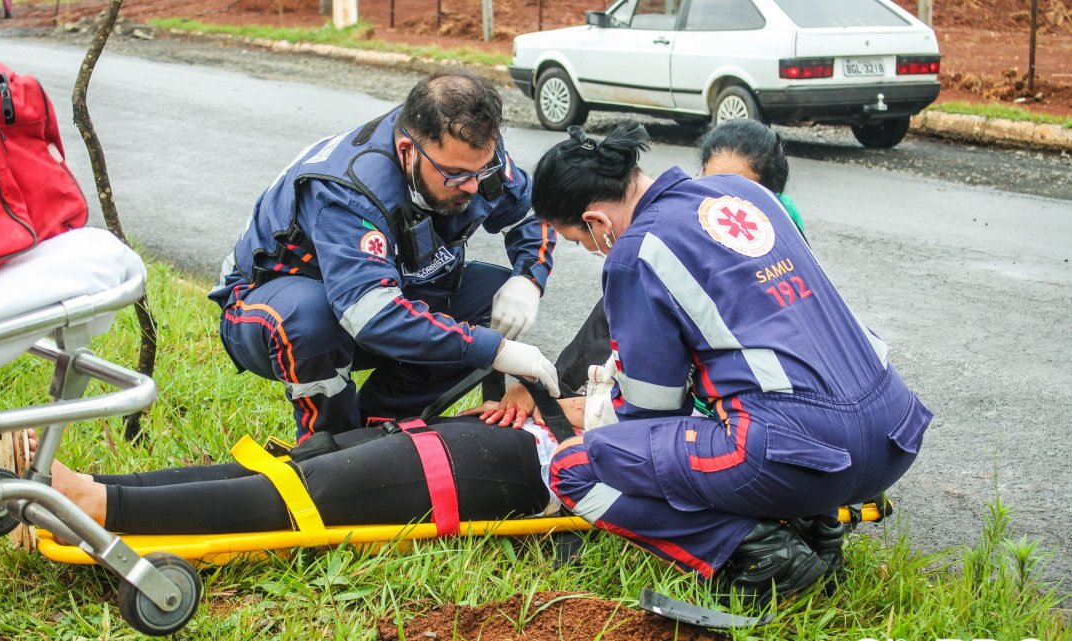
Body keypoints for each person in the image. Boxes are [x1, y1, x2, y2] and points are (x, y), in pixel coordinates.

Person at [526, 122, 933, 606]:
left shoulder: (636, 253)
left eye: (579, 240)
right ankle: (817, 529)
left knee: (575, 465)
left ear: (597, 221)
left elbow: (651, 412)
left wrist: (592, 420)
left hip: (802, 458)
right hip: (895, 434)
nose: (590, 249)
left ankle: (759, 551)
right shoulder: (743, 193)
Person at [209, 69, 560, 444]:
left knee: (493, 295)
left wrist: (528, 279)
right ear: (408, 152)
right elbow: (372, 317)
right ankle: (330, 446)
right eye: (456, 176)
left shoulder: (471, 153)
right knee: (310, 318)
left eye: (481, 170)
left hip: (387, 285)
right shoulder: (347, 191)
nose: (473, 186)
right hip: (266, 308)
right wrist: (495, 350)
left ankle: (380, 429)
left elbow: (531, 210)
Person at [469, 118, 805, 427]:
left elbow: (650, 415)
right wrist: (547, 388)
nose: (716, 199)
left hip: (748, 423)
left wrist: (567, 408)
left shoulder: (649, 254)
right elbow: (607, 339)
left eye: (732, 187)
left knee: (571, 468)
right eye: (710, 182)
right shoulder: (683, 232)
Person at [35, 413, 581, 535]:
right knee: (288, 467)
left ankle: (95, 506)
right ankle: (92, 488)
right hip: (509, 431)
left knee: (307, 494)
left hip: (534, 471)